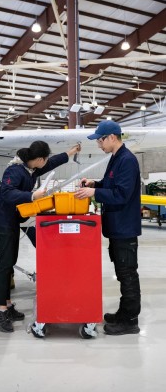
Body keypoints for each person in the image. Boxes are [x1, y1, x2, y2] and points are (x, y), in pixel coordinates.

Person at [0, 140, 81, 333]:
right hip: (3, 220)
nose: (45, 163)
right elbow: (7, 193)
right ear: (38, 158)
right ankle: (0, 309)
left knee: (10, 260)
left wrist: (69, 153)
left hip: (13, 219)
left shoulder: (31, 167)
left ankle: (7, 303)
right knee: (5, 263)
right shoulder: (15, 170)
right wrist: (32, 196)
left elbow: (52, 162)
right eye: (44, 159)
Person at [74, 120, 141, 336]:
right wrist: (96, 184)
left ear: (112, 137)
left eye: (101, 140)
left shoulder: (127, 160)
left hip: (125, 227)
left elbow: (122, 194)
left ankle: (130, 321)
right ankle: (124, 313)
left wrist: (94, 194)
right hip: (116, 227)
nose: (99, 144)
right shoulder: (115, 158)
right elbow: (110, 183)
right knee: (122, 273)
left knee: (128, 274)